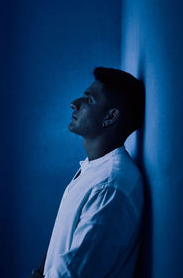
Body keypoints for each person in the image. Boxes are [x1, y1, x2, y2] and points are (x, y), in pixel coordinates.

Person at [28, 67, 145, 278]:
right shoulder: (94, 169)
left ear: (110, 117)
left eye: (89, 100)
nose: (74, 103)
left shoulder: (110, 186)